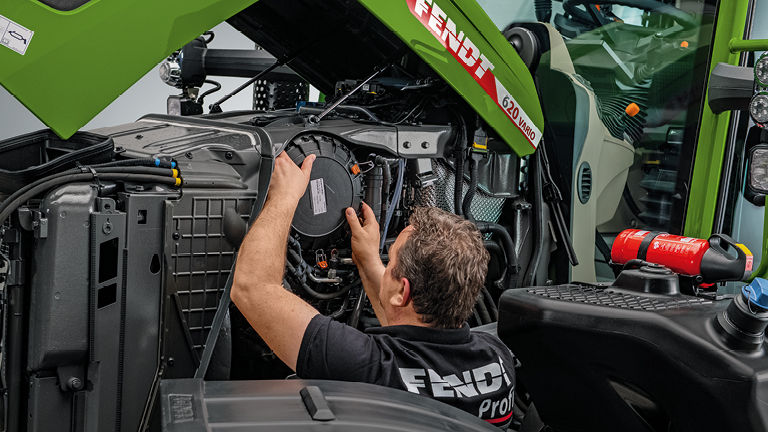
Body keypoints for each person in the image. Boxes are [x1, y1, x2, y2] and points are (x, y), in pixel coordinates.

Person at [231, 151, 516, 428]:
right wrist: (368, 261)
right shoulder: (499, 360)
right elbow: (407, 326)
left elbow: (252, 287)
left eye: (389, 261)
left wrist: (284, 198)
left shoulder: (367, 366)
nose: (386, 264)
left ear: (402, 292)